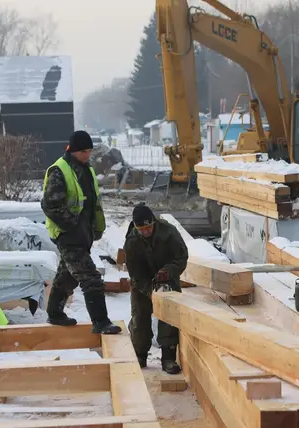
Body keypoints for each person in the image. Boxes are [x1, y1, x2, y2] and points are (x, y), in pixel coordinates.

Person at [41, 130, 122, 335]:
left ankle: (55, 313)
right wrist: (72, 225)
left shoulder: (86, 169)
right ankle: (101, 322)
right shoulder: (59, 171)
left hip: (83, 233)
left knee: (68, 276)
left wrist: (95, 228)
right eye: (83, 151)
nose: (87, 155)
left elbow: (91, 202)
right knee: (90, 277)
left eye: (89, 151)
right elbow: (50, 205)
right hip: (68, 235)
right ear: (72, 150)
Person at [123, 204, 188, 374]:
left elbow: (181, 257)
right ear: (136, 228)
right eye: (142, 229)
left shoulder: (169, 232)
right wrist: (150, 290)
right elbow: (135, 274)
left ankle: (168, 358)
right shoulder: (131, 242)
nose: (146, 231)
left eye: (149, 227)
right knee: (140, 319)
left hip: (168, 281)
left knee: (169, 318)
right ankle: (140, 355)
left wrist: (169, 271)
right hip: (142, 283)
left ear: (154, 223)